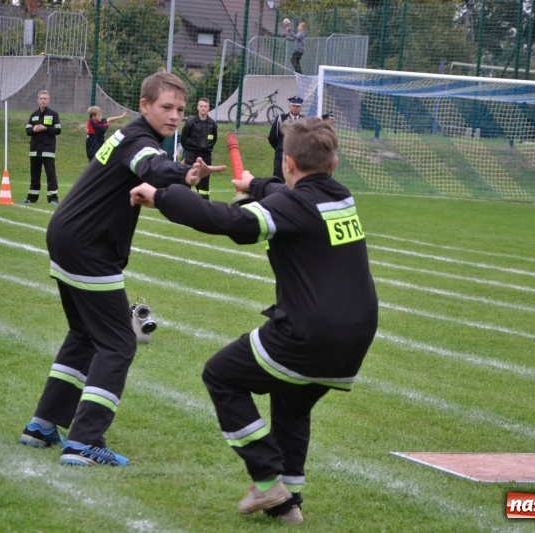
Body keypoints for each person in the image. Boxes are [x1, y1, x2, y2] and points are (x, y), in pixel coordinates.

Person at [129, 117, 378, 524]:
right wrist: (257, 186)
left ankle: (266, 481)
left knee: (221, 375)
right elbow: (289, 194)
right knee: (293, 403)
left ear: (290, 163)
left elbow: (232, 222)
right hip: (355, 336)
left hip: (310, 332)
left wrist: (163, 196)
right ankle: (287, 503)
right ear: (332, 165)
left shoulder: (294, 204)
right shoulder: (340, 196)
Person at [17, 71, 226, 467]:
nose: (174, 116)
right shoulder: (139, 141)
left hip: (67, 234)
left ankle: (43, 424)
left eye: (180, 109)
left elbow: (144, 173)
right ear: (144, 105)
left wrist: (175, 175)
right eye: (166, 107)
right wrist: (185, 173)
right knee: (118, 342)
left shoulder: (130, 136)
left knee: (83, 334)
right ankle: (84, 442)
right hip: (88, 246)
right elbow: (151, 166)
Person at [21, 90, 62, 204]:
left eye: (45, 98)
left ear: (49, 101)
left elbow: (58, 130)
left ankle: (53, 198)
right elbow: (28, 130)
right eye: (41, 98)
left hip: (48, 150)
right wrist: (33, 129)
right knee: (34, 175)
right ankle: (31, 198)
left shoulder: (54, 114)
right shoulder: (34, 115)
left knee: (51, 174)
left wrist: (45, 128)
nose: (43, 100)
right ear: (38, 100)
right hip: (35, 150)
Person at [180, 97, 218, 200]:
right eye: (201, 106)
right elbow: (184, 138)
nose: (203, 108)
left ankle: (204, 204)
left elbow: (214, 140)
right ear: (198, 107)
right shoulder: (190, 122)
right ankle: (184, 203)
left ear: (209, 108)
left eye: (205, 106)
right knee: (187, 179)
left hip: (206, 157)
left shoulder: (212, 124)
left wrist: (206, 148)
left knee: (204, 184)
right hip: (191, 155)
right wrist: (190, 150)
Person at [268, 95, 304, 179]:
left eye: (298, 106)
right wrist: (280, 148)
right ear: (289, 106)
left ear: (301, 107)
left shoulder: (304, 120)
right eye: (293, 106)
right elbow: (273, 138)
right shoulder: (281, 119)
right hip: (282, 155)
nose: (295, 108)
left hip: (299, 155)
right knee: (279, 178)